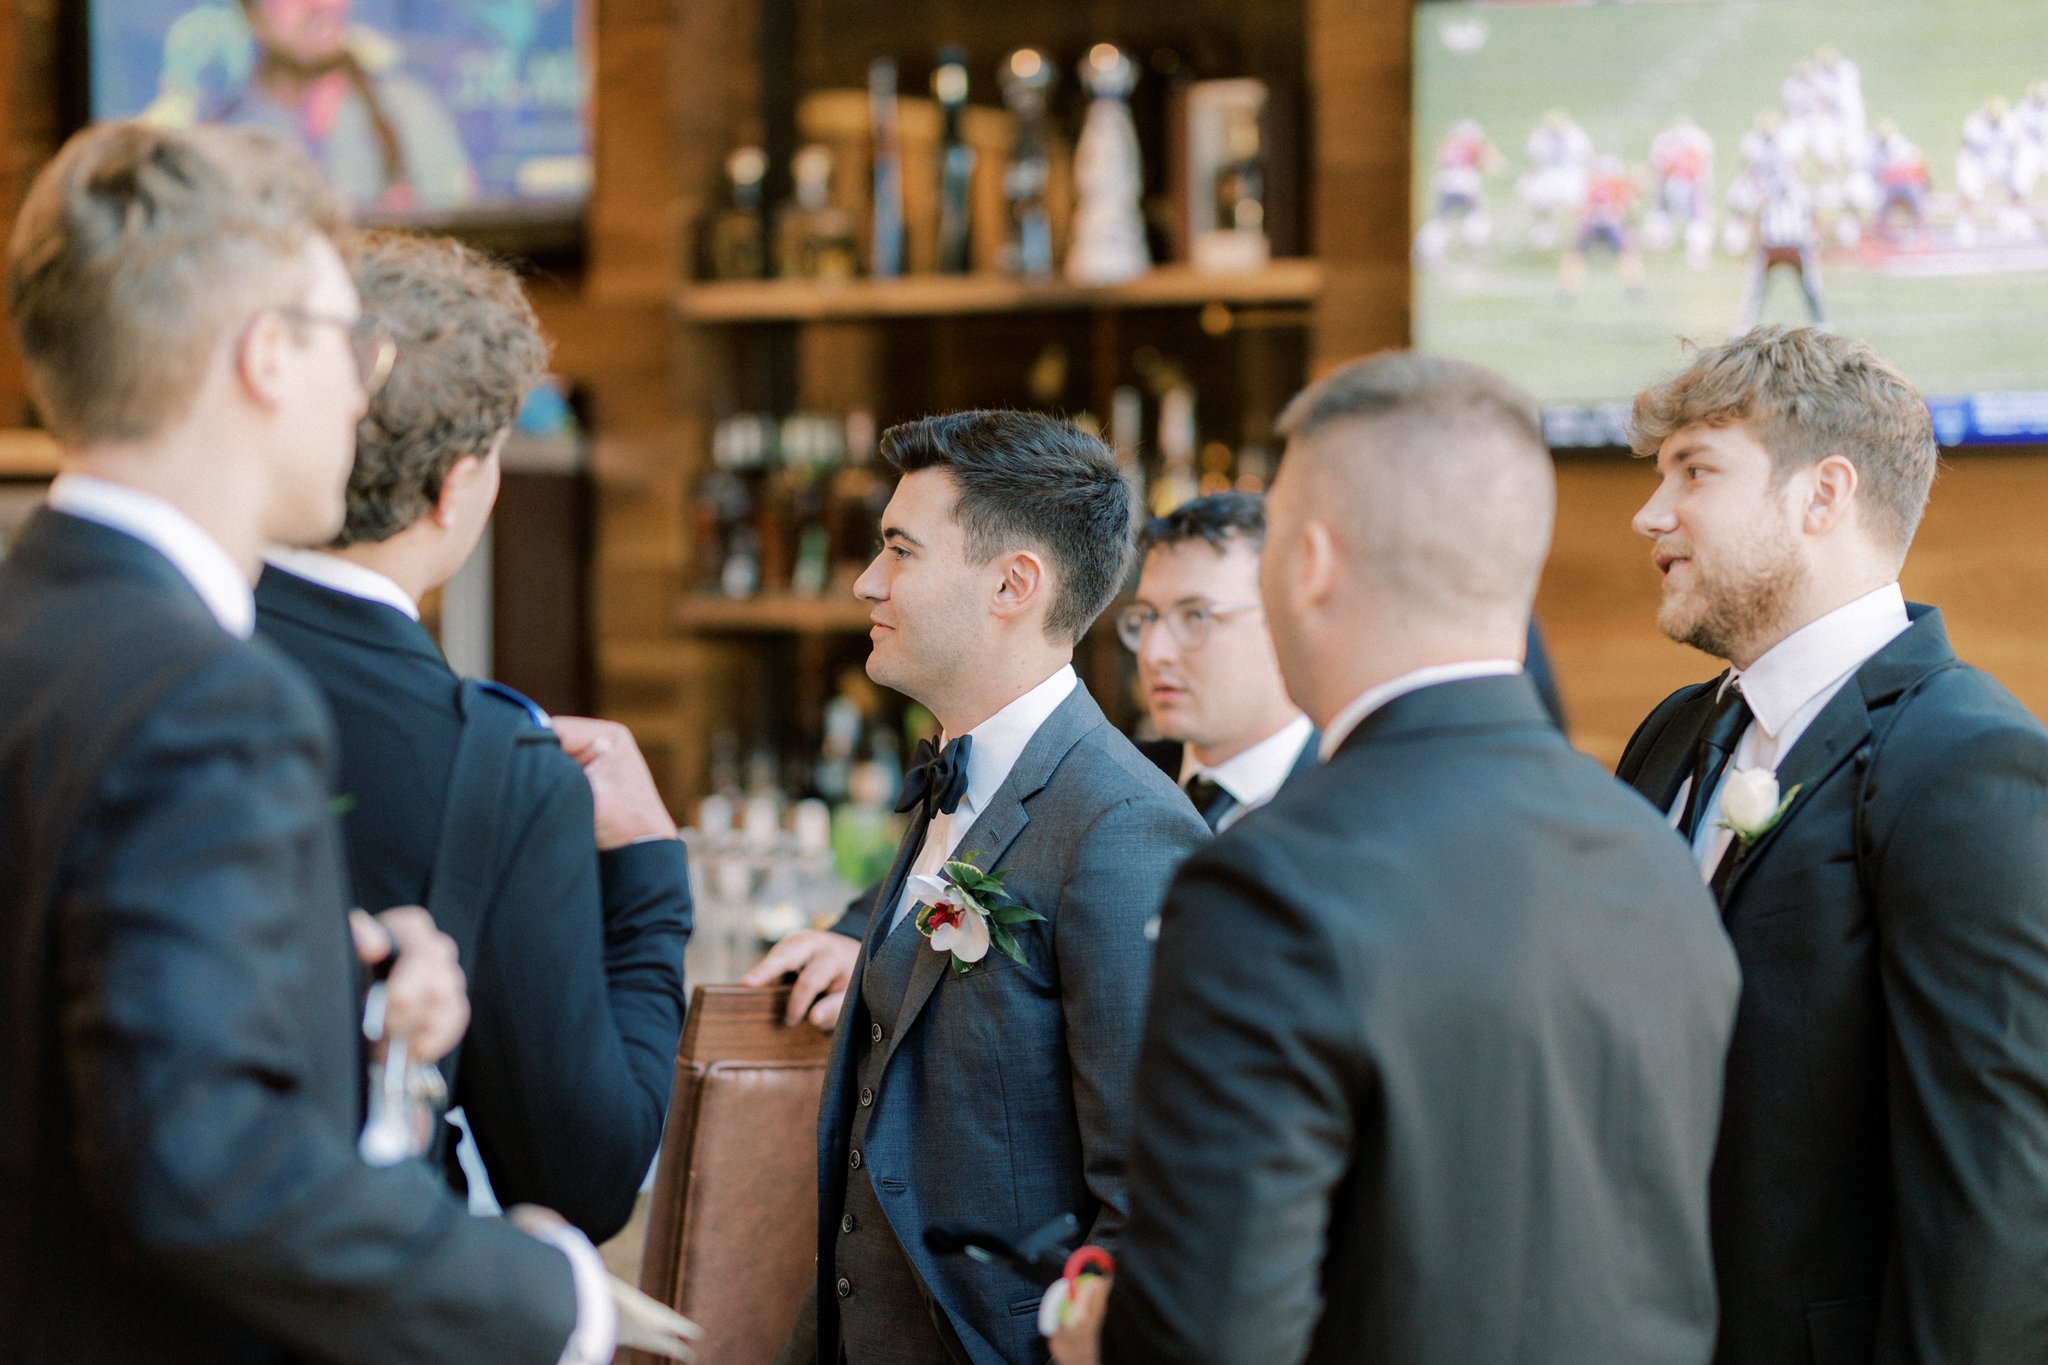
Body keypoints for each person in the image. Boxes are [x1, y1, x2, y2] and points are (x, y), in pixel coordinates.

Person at [0, 122, 616, 1364]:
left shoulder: (34, 623)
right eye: (350, 339)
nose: (366, 379)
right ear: (267, 355)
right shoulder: (207, 698)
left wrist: (347, 1021)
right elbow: (205, 1174)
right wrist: (548, 1300)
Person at [1051, 352, 1741, 1365]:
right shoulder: (1650, 849)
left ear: (1313, 562)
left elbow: (1206, 1337)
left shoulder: (1273, 883)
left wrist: (1090, 1331)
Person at [1616, 325, 2048, 1364]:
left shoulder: (1965, 762)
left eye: (1694, 471)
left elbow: (1993, 1193)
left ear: (1821, 495)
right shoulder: (1671, 732)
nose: (1647, 513)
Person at [254, 229, 691, 1241]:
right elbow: (579, 1178)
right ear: (459, 485)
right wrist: (649, 888)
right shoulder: (492, 765)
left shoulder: (139, 638)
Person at [753, 410, 1207, 1365]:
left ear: (1013, 584)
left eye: (900, 550)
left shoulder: (1125, 829)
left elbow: (1156, 1194)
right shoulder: (954, 774)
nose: (865, 581)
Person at [1118, 491, 1316, 831]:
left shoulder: (1355, 798)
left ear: (1286, 620)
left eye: (1197, 615)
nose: (1153, 653)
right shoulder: (1117, 781)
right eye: (1148, 616)